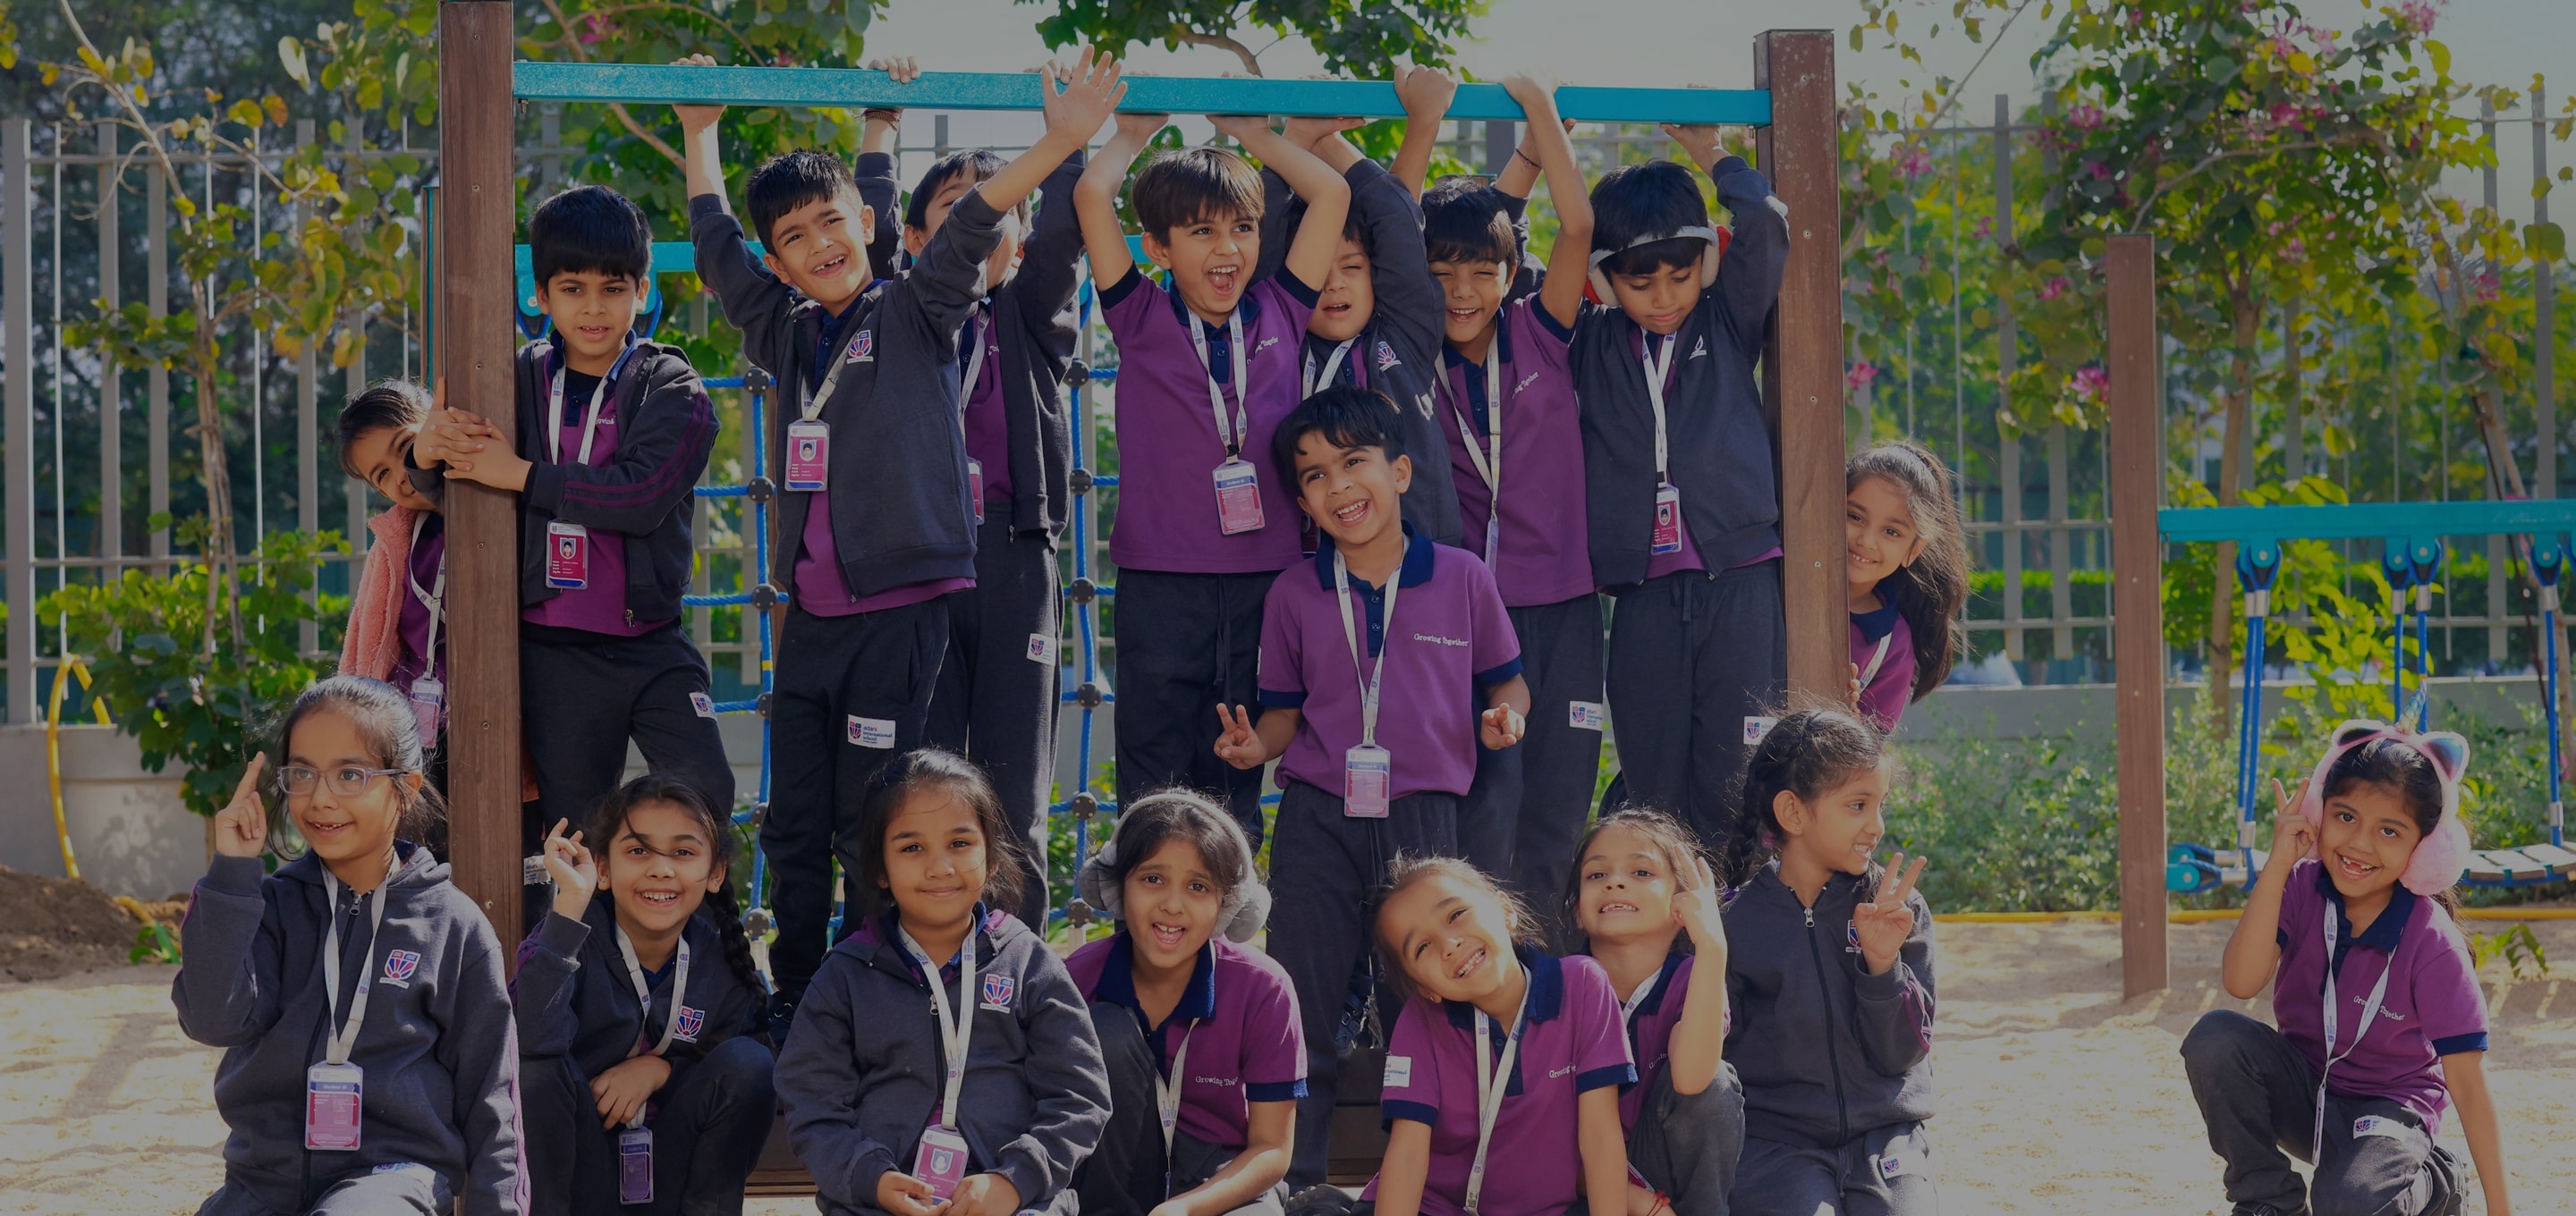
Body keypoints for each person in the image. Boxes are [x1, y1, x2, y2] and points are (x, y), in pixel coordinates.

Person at [680, 47, 1124, 1032]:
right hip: (813, 628)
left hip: (901, 622)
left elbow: (970, 225)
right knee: (791, 820)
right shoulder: (788, 332)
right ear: (782, 262)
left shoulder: (919, 311)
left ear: (871, 228)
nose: (818, 243)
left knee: (865, 822)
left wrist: (1060, 140)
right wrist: (698, 133)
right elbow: (716, 247)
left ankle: (866, 995)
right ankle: (789, 991)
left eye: (833, 220)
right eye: (793, 237)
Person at [1212, 386, 1530, 1186]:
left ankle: (1437, 1185)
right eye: (1315, 476)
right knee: (1308, 1003)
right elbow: (1285, 715)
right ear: (1302, 502)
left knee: (1425, 1006)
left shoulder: (1461, 577)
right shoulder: (1293, 592)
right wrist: (1256, 748)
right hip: (1319, 817)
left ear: (1399, 470)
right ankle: (1300, 1183)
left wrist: (1504, 718)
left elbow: (1509, 683)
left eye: (1354, 463)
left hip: (1426, 822)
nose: (1338, 486)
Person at [411, 184, 734, 891]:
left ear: (643, 291)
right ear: (541, 296)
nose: (593, 307)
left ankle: (703, 968)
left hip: (651, 644)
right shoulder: (511, 376)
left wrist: (521, 474)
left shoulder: (671, 383)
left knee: (708, 795)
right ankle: (584, 982)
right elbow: (453, 487)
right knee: (573, 834)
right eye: (573, 288)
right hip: (551, 654)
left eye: (613, 288)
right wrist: (427, 451)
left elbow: (642, 496)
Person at [1074, 96, 1353, 849]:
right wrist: (1130, 135)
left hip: (1268, 579)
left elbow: (1331, 192)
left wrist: (1258, 134)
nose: (1226, 247)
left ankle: (1225, 938)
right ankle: (1147, 921)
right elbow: (1091, 194)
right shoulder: (1137, 316)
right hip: (1162, 585)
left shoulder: (1282, 310)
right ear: (1160, 248)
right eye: (1201, 232)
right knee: (1155, 771)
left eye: (1241, 227)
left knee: (1237, 764)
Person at [852, 57, 1087, 919]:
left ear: (1018, 242)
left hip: (1012, 554)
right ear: (918, 241)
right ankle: (909, 957)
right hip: (915, 557)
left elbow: (1063, 235)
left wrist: (1067, 144)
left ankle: (1015, 966)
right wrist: (881, 123)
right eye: (954, 213)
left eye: (1000, 214)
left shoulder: (1032, 314)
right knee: (918, 766)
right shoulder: (898, 314)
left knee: (1013, 778)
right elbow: (869, 232)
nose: (979, 229)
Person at [174, 675, 521, 1215]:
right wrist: (232, 874)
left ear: (404, 787)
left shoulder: (454, 926)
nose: (320, 798)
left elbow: (491, 1100)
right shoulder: (266, 907)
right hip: (262, 1182)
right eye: (303, 774)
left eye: (350, 775)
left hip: (390, 1179)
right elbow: (211, 1020)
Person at [2182, 722, 2510, 1216]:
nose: (2358, 844)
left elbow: (2467, 1084)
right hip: (2310, 1092)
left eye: (2389, 830)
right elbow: (2240, 982)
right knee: (2215, 1038)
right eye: (2345, 816)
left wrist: (2503, 1211)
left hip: (2389, 1113)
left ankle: (2439, 1179)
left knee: (2347, 1204)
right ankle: (2267, 1202)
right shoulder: (2299, 886)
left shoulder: (2431, 941)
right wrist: (2278, 864)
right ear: (2320, 813)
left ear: (2423, 850)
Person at [773, 748, 1111, 1216]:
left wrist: (1014, 1181)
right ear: (878, 869)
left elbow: (1080, 1095)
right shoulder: (847, 973)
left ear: (990, 856)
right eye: (912, 847)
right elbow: (811, 1103)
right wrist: (872, 1178)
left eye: (960, 843)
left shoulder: (1028, 961)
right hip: (879, 1203)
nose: (940, 867)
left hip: (1014, 1202)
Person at [1417, 76, 1598, 935]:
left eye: (1480, 272)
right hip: (1468, 615)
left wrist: (1541, 120)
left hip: (1560, 604)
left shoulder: (1542, 331)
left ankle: (1549, 981)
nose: (1460, 291)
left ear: (1510, 274)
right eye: (1440, 273)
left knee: (1559, 803)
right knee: (1484, 804)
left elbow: (1582, 227)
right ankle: (1473, 969)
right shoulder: (1412, 360)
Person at [1576, 130, 1790, 850]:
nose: (1663, 297)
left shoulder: (1727, 320)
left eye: (1678, 274)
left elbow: (1764, 224)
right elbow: (1528, 271)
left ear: (1705, 261)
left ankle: (1734, 926)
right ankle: (1667, 945)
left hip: (1743, 581)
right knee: (1651, 774)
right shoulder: (1592, 343)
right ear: (1604, 280)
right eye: (1639, 281)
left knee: (1741, 769)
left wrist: (1715, 158)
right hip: (1641, 593)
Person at [514, 776, 775, 1215]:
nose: (660, 869)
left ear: (714, 874)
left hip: (675, 1173)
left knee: (750, 1064)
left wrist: (661, 1070)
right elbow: (528, 1042)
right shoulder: (564, 939)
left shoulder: (722, 961)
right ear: (601, 868)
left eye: (683, 852)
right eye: (638, 851)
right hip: (582, 1173)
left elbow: (744, 1074)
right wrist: (569, 909)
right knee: (535, 1070)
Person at [1713, 707, 1936, 1216]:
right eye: (1857, 805)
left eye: (1880, 805)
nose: (1876, 826)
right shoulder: (1736, 922)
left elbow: (1904, 1057)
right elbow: (1716, 1057)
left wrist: (1883, 967)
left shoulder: (1899, 909)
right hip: (1777, 1146)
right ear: (1792, 813)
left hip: (1887, 1137)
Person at [1247, 65, 1466, 550]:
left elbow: (1395, 221)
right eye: (1315, 271)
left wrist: (1330, 144)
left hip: (1422, 560)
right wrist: (1296, 141)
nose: (1333, 284)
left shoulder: (1405, 335)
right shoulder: (1274, 338)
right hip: (1312, 567)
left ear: (1376, 274)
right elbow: (1262, 243)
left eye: (1351, 266)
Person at [1067, 790, 1303, 1216]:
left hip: (1220, 1186)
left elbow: (1271, 1148)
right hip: (1103, 1186)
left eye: (1198, 887)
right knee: (1106, 1031)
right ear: (1118, 887)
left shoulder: (1264, 989)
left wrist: (1186, 1209)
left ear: (1229, 905)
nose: (1172, 905)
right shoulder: (1075, 979)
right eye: (1152, 879)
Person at [1356, 857, 1635, 1216]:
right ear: (1425, 989)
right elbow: (1407, 1154)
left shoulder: (1582, 985)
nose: (1450, 944)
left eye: (1456, 915)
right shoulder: (1421, 1019)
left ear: (1505, 910)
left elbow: (1600, 1134)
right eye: (1422, 947)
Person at [1568, 808, 1744, 1215]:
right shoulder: (1560, 986)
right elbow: (1541, 1134)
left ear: (1682, 908)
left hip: (1667, 1169)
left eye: (1641, 873)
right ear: (1578, 910)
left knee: (1717, 1084)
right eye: (1596, 875)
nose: (1615, 882)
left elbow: (1693, 1078)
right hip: (1578, 1182)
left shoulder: (1692, 978)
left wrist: (1713, 946)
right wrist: (1635, 1202)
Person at [335, 379, 451, 782]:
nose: (403, 474)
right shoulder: (395, 544)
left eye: (405, 447)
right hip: (414, 733)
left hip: (491, 717)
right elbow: (368, 645)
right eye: (382, 474)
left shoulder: (498, 514)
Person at [1843, 442, 1968, 733]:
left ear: (1914, 550)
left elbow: (1869, 756)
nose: (1867, 540)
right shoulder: (1774, 589)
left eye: (1891, 532)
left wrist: (1847, 720)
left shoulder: (1894, 644)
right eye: (1855, 516)